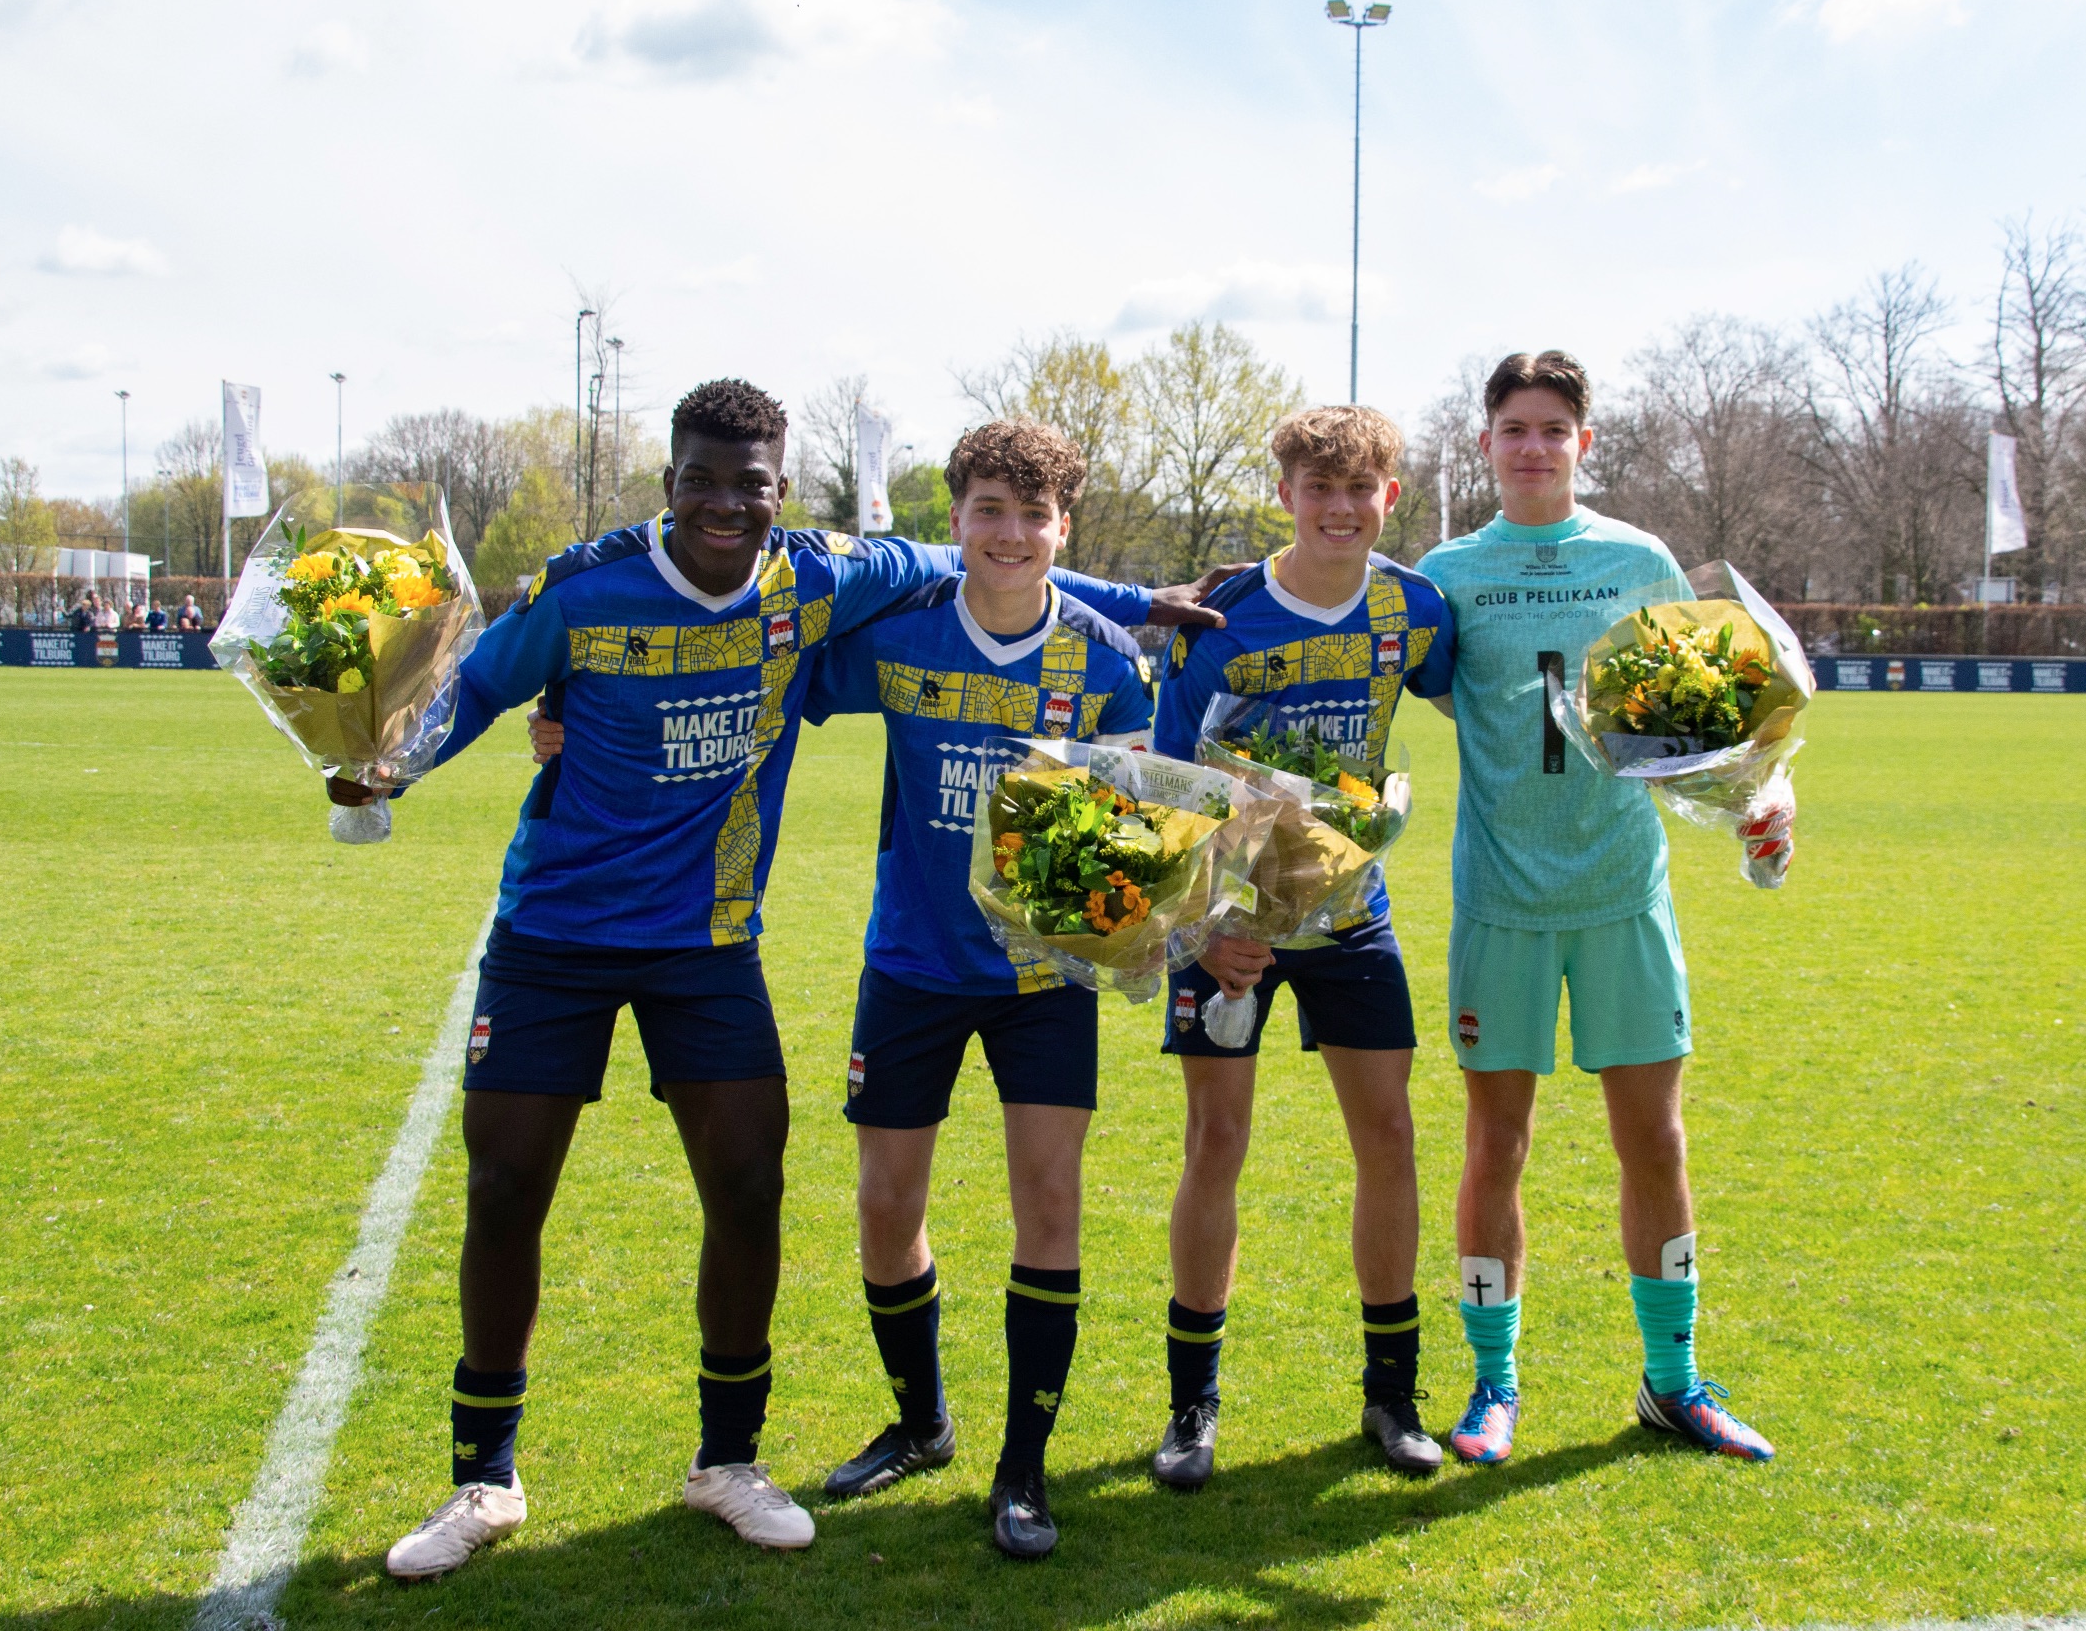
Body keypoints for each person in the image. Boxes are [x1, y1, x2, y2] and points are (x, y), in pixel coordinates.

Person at [359, 379, 1239, 1581]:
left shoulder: (820, 577)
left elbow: (993, 572)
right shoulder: (589, 584)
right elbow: (474, 681)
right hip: (562, 931)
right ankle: (484, 1475)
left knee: (750, 1179)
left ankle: (735, 1458)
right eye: (702, 480)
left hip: (718, 941)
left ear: (782, 490)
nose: (726, 504)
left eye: (751, 484)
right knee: (508, 1185)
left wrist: (1137, 610)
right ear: (669, 479)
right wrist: (377, 759)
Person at [1412, 351, 1775, 1467]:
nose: (1533, 446)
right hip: (1502, 905)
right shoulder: (1445, 575)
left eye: (1553, 428)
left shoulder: (1640, 558)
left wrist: (1771, 790)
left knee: (1654, 1143)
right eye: (1513, 428)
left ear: (1584, 443)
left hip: (1625, 895)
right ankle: (1493, 1387)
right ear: (1485, 445)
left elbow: (1727, 710)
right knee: (1496, 1147)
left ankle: (1672, 1382)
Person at [800, 419, 1150, 1559]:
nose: (1009, 534)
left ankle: (1022, 1468)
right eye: (987, 511)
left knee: (1049, 1204)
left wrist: (1142, 918)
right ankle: (919, 1421)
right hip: (909, 962)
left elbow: (1134, 833)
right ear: (954, 521)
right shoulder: (899, 635)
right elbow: (767, 664)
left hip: (1043, 978)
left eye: (1031, 515)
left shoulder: (1101, 657)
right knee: (886, 1205)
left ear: (1064, 528)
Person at [1143, 406, 1454, 1489]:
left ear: (1388, 497)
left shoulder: (1414, 609)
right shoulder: (1220, 615)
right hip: (1225, 926)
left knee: (1390, 1139)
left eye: (1356, 490)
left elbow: (1480, 695)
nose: (1336, 508)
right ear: (1284, 496)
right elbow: (1168, 784)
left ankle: (1393, 1396)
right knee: (1214, 1144)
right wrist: (1210, 926)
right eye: (1315, 489)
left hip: (1351, 915)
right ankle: (1190, 1410)